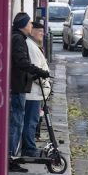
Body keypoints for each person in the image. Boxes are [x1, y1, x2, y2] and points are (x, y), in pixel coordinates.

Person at [9, 12, 50, 172]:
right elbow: (22, 62)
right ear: (23, 25)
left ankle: (12, 156)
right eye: (29, 24)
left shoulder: (19, 38)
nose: (31, 26)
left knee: (18, 122)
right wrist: (39, 72)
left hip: (20, 86)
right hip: (19, 87)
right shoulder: (19, 39)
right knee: (17, 123)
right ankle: (11, 158)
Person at [21, 19, 51, 158]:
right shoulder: (31, 46)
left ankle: (29, 146)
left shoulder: (32, 45)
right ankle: (29, 148)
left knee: (32, 120)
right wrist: (45, 82)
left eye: (43, 31)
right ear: (32, 31)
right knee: (31, 121)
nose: (42, 34)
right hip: (33, 92)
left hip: (35, 92)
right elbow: (34, 70)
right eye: (39, 31)